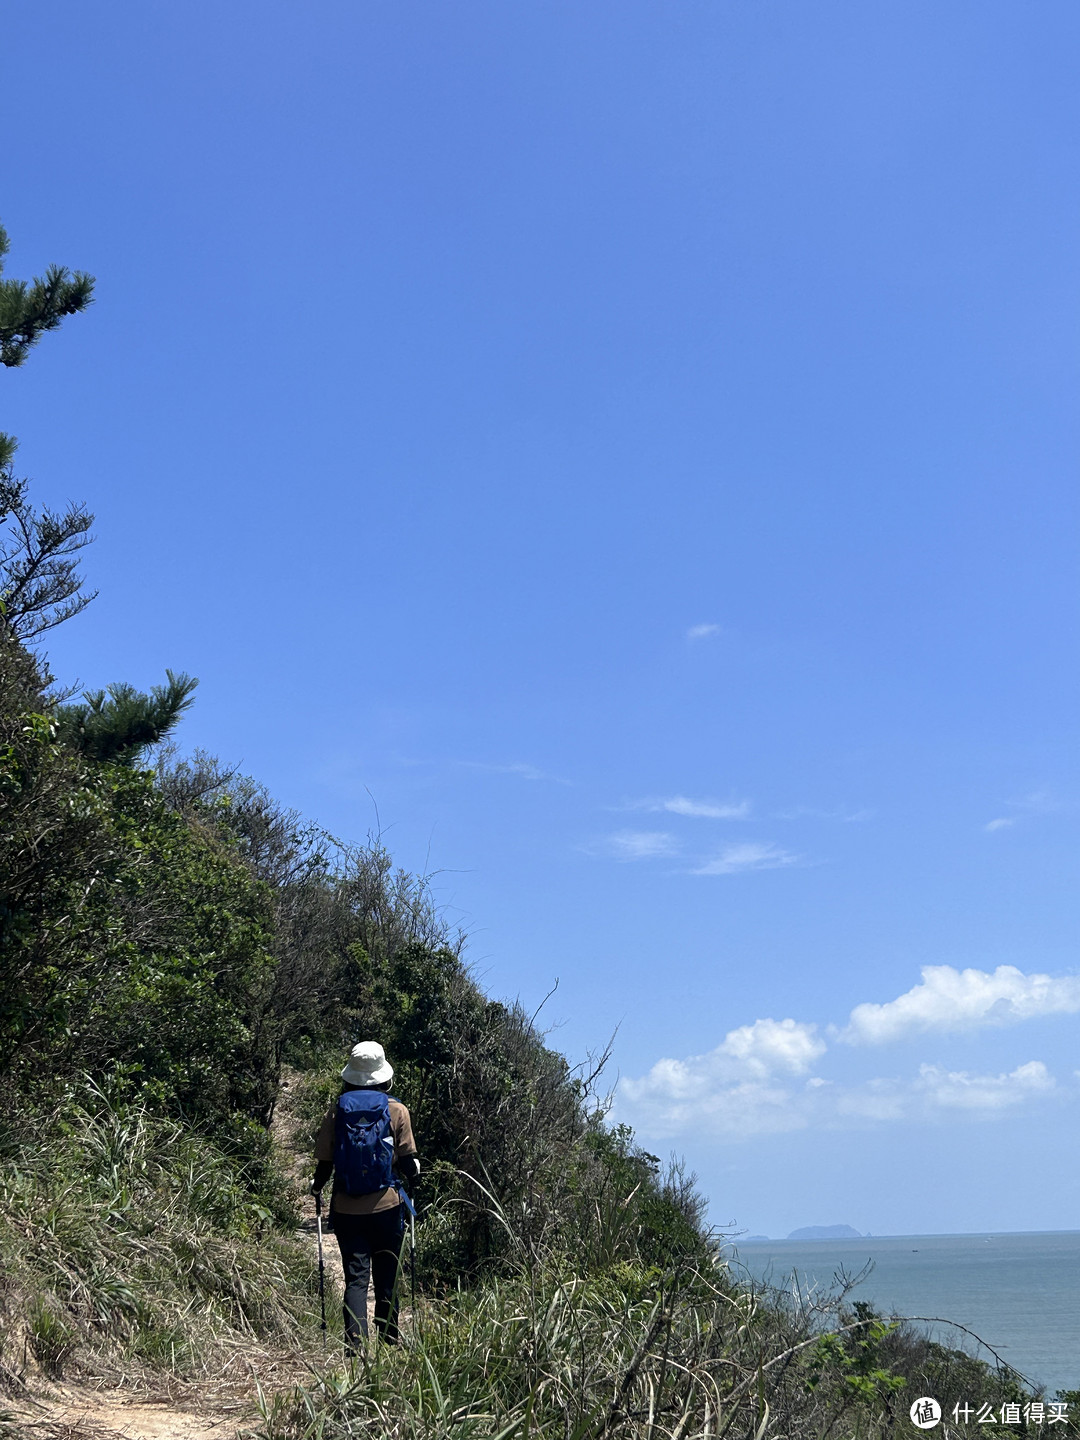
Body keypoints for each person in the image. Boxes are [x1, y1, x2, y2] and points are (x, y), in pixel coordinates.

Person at [310, 1040, 420, 1349]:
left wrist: (317, 1189)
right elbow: (409, 1164)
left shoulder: (336, 1112)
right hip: (387, 1206)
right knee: (387, 1275)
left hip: (347, 1209)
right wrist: (414, 1176)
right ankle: (388, 1339)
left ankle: (355, 1345)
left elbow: (325, 1165)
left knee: (356, 1277)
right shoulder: (396, 1110)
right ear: (384, 1076)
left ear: (350, 1076)